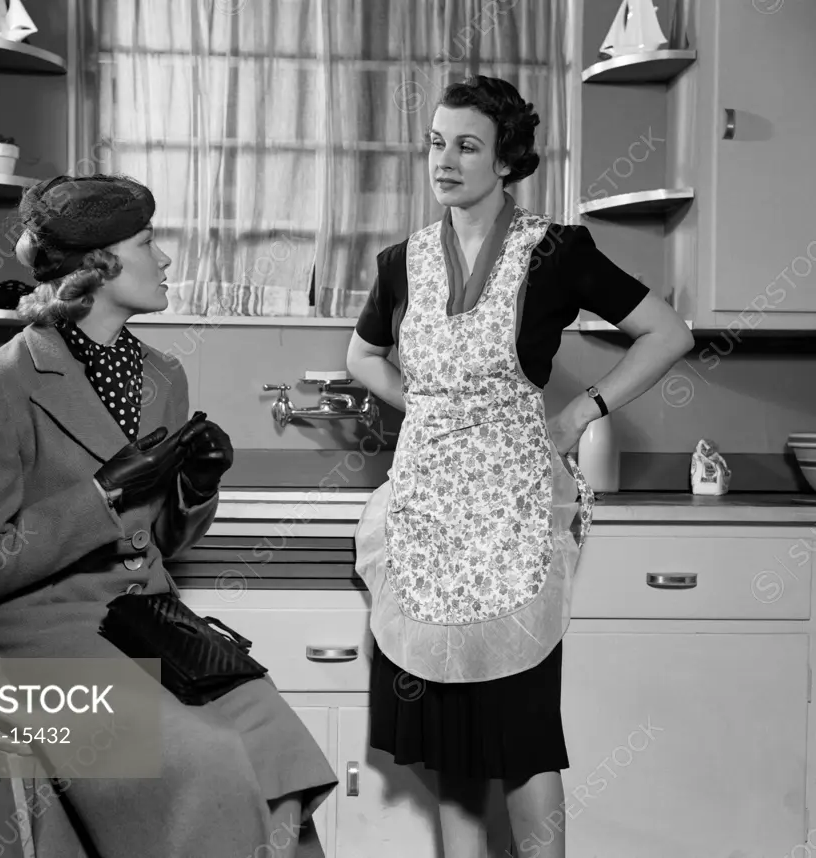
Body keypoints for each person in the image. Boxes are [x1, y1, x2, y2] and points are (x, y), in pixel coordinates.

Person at [0, 173, 337, 858]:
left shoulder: (162, 376)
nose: (167, 260)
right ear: (100, 264)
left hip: (151, 627)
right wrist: (97, 496)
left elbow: (158, 543)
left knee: (285, 758)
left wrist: (197, 486)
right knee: (207, 761)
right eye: (150, 243)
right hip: (46, 645)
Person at [346, 77, 693, 858]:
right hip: (428, 516)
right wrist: (425, 407)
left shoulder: (555, 250)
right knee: (447, 743)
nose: (444, 159)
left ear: (506, 161)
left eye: (467, 145)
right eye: (436, 142)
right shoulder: (402, 261)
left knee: (522, 735)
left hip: (511, 518)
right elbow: (360, 354)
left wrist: (576, 415)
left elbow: (665, 333)